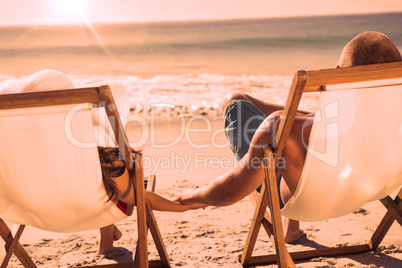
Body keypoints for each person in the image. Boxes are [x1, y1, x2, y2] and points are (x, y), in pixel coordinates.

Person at [174, 31, 402, 243]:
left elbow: (231, 191)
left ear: (338, 71)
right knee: (304, 132)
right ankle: (291, 225)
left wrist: (193, 195)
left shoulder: (284, 128)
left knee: (237, 101)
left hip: (303, 199)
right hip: (366, 190)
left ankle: (239, 104)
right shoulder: (386, 131)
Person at [0, 69, 205, 255]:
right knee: (108, 179)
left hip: (29, 212)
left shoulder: (12, 145)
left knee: (99, 179)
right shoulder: (94, 147)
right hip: (92, 208)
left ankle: (107, 241)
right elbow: (132, 196)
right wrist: (181, 207)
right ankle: (106, 241)